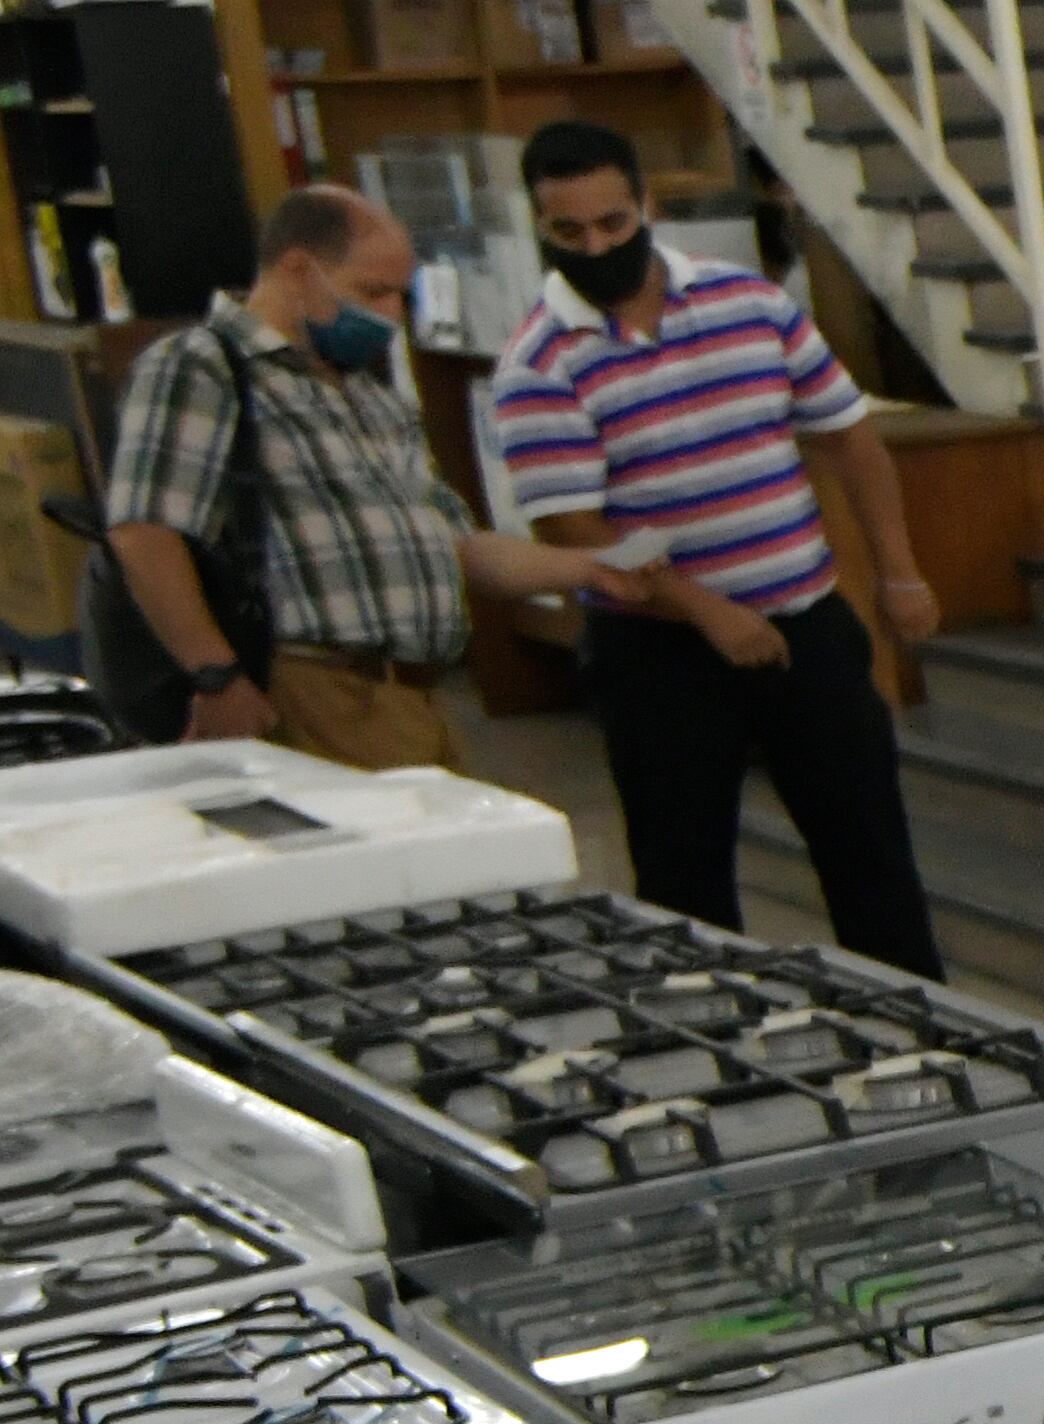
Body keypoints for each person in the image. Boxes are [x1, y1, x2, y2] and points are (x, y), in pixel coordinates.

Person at [489, 119, 945, 974]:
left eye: (613, 224)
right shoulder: (539, 363)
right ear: (540, 227)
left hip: (804, 625)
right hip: (658, 652)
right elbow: (575, 531)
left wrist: (898, 571)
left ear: (646, 205)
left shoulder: (752, 304)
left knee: (873, 859)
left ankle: (931, 1039)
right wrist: (706, 612)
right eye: (569, 232)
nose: (596, 245)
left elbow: (850, 437)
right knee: (686, 885)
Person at [99, 186, 629, 767]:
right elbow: (145, 530)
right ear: (299, 269)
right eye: (371, 292)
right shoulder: (203, 366)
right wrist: (216, 675)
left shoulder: (369, 398)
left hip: (405, 694)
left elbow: (459, 546)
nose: (389, 316)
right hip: (311, 682)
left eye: (399, 295)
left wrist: (592, 567)